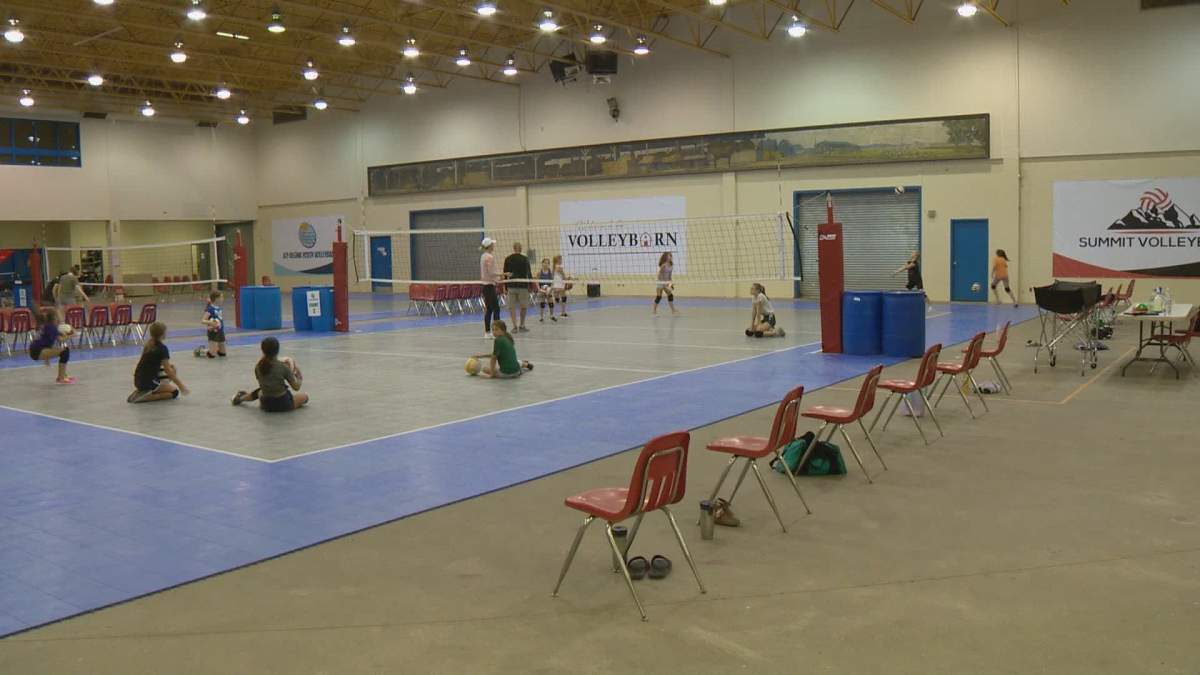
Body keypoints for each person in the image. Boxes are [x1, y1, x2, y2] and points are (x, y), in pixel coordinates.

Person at [231, 337, 309, 412]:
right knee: (305, 397)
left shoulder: (258, 366)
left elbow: (263, 383)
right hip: (284, 404)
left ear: (262, 350)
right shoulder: (282, 367)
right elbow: (296, 387)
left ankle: (240, 398)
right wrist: (298, 376)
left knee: (260, 391)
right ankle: (243, 397)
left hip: (266, 404)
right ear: (277, 350)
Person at [128, 321, 188, 403]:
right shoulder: (162, 348)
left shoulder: (148, 344)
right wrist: (181, 386)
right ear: (162, 334)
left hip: (138, 379)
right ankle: (144, 397)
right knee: (174, 392)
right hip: (148, 381)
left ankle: (144, 391)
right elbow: (168, 371)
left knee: (172, 367)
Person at [29, 307, 74, 384]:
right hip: (37, 351)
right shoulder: (51, 327)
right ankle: (61, 378)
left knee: (63, 350)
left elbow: (46, 340)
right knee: (65, 351)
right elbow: (61, 339)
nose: (59, 319)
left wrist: (47, 358)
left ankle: (63, 375)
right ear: (54, 318)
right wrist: (72, 335)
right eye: (58, 316)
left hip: (35, 349)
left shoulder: (48, 326)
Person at [503, 242, 532, 333]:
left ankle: (515, 326)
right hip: (523, 286)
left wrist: (505, 286)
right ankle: (522, 325)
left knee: (512, 307)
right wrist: (530, 285)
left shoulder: (508, 259)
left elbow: (505, 274)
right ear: (521, 248)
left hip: (511, 285)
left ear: (513, 248)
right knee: (523, 306)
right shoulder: (525, 259)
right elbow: (529, 273)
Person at [479, 237, 502, 338]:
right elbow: (491, 272)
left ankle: (488, 332)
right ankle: (495, 332)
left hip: (486, 285)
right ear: (489, 246)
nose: (494, 245)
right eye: (492, 244)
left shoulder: (483, 256)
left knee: (489, 309)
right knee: (495, 309)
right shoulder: (489, 257)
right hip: (488, 286)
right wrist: (501, 274)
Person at [195, 291, 227, 358]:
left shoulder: (219, 308)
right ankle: (200, 351)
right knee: (212, 355)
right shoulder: (210, 309)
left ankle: (215, 348)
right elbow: (203, 320)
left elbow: (219, 320)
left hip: (220, 331)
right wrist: (211, 323)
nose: (223, 298)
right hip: (213, 332)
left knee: (222, 354)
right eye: (221, 297)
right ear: (216, 299)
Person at [551, 255, 571, 319]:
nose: (561, 260)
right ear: (558, 260)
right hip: (559, 284)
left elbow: (554, 276)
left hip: (556, 283)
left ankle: (561, 312)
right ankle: (562, 312)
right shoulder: (559, 267)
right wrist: (568, 279)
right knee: (563, 298)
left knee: (558, 298)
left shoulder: (554, 267)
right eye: (561, 259)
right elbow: (563, 276)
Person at [536, 258, 556, 322]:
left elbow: (553, 282)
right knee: (542, 303)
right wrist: (539, 289)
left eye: (547, 263)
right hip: (542, 289)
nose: (546, 264)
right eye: (544, 263)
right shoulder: (539, 272)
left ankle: (551, 315)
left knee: (551, 303)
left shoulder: (550, 272)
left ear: (549, 264)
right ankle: (541, 317)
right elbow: (536, 281)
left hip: (549, 289)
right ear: (542, 264)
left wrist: (550, 289)